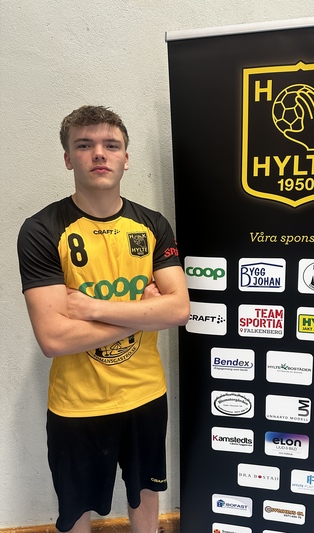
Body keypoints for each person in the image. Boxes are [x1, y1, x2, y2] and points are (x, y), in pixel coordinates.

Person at [17, 105, 190, 533]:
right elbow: (54, 338)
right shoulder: (41, 229)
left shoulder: (153, 224)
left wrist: (92, 308)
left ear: (125, 158)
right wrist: (145, 315)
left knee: (146, 496)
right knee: (75, 510)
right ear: (67, 158)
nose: (99, 153)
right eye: (84, 145)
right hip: (76, 403)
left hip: (145, 393)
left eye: (111, 145)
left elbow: (178, 309)